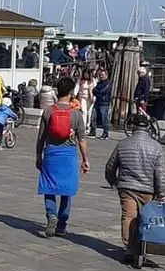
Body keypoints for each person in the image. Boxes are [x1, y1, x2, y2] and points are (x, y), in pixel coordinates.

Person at [104, 113, 165, 264]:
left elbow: (110, 167)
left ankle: (129, 248)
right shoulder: (156, 147)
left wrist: (113, 182)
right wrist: (161, 193)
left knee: (128, 216)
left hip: (127, 187)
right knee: (146, 218)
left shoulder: (122, 144)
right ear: (148, 128)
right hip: (148, 189)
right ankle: (142, 247)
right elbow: (160, 173)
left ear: (133, 127)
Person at [36, 77, 89, 238]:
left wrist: (38, 156)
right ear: (71, 92)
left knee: (49, 187)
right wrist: (85, 159)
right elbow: (82, 139)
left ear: (57, 91)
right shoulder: (76, 114)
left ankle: (51, 214)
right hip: (69, 155)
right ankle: (61, 225)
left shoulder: (48, 111)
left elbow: (41, 136)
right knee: (67, 190)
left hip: (51, 153)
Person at [91, 69, 111, 139]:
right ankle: (93, 131)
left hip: (104, 103)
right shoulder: (99, 83)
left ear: (106, 75)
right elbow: (94, 90)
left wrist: (98, 92)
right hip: (97, 102)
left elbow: (104, 91)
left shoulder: (108, 84)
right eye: (100, 75)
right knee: (93, 117)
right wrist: (98, 92)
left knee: (104, 118)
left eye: (102, 75)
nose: (101, 76)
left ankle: (105, 133)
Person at [76, 70, 96, 138]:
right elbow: (77, 88)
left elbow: (95, 89)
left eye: (87, 74)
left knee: (89, 112)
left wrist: (94, 97)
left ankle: (88, 126)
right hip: (82, 97)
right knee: (84, 111)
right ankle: (83, 127)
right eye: (84, 74)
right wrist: (74, 94)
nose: (86, 75)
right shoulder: (80, 80)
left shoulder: (93, 80)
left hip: (90, 98)